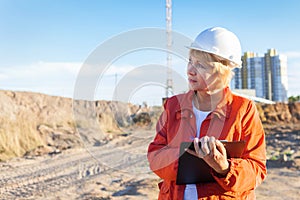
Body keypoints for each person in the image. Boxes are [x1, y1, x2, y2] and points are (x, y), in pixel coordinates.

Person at [147, 27, 267, 199]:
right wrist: (184, 160)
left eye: (200, 65)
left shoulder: (243, 109)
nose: (190, 70)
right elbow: (155, 155)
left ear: (223, 70)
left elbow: (257, 168)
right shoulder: (173, 105)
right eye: (190, 61)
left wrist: (224, 167)